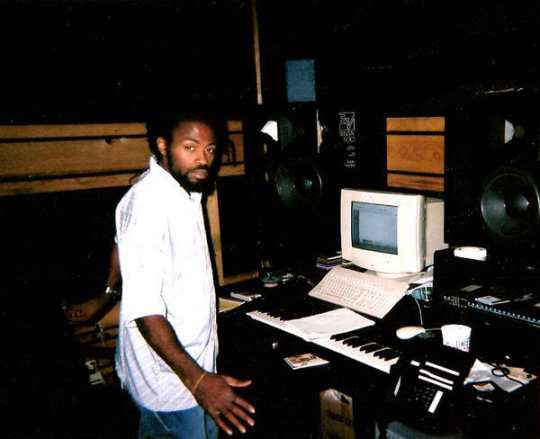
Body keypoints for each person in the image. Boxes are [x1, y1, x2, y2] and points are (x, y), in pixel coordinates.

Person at [113, 110, 255, 439]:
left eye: (210, 149)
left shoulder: (180, 187)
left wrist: (105, 293)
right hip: (171, 385)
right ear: (163, 145)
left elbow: (119, 241)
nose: (203, 159)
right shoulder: (149, 206)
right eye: (190, 148)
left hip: (188, 370)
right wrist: (200, 381)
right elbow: (146, 311)